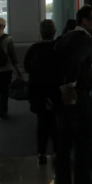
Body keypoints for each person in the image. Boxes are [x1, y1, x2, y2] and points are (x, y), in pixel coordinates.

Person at [54, 5, 92, 184]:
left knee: (63, 146)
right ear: (84, 20)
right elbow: (75, 63)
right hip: (78, 96)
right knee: (83, 145)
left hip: (61, 99)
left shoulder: (64, 38)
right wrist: (71, 87)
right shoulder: (85, 40)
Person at [24, 19, 60, 165]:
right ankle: (57, 151)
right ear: (54, 32)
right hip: (54, 90)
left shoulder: (34, 49)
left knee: (42, 122)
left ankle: (41, 152)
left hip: (37, 90)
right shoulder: (57, 48)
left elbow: (27, 67)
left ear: (40, 32)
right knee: (55, 121)